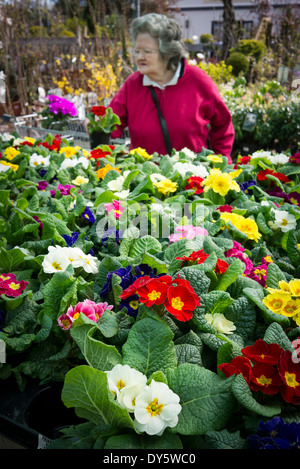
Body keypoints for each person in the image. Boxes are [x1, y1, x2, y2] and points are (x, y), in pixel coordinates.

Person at [109, 13, 234, 163]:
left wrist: (221, 160)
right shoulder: (133, 84)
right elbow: (110, 124)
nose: (139, 57)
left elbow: (223, 123)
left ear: (167, 51)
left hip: (191, 179)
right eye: (137, 51)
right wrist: (96, 125)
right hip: (144, 179)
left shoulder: (198, 81)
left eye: (147, 51)